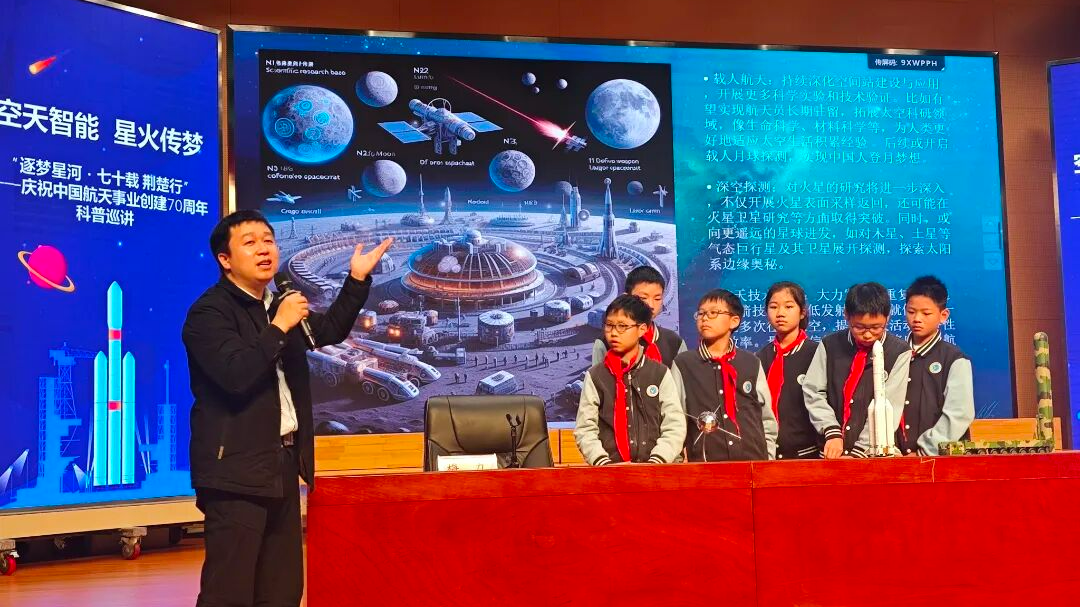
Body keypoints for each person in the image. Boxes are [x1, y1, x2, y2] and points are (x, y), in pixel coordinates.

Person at [183, 210, 391, 607]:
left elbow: (325, 332)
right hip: (235, 471)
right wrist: (278, 326)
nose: (264, 249)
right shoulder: (209, 313)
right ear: (225, 259)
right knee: (229, 592)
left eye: (269, 240)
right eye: (250, 243)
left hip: (282, 462)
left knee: (282, 590)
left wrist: (356, 280)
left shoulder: (278, 305)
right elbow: (235, 375)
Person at [802, 282, 911, 459]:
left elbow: (891, 403)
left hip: (874, 455)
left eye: (876, 327)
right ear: (846, 315)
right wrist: (831, 431)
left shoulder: (899, 352)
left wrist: (861, 452)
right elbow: (813, 391)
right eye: (859, 327)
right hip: (832, 453)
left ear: (888, 317)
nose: (867, 334)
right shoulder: (829, 345)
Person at [575, 294, 685, 465]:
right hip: (610, 470)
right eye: (609, 325)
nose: (613, 333)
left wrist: (656, 462)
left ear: (642, 329)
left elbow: (674, 425)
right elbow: (585, 429)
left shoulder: (660, 373)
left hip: (655, 470)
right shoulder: (596, 376)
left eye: (622, 326)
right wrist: (604, 464)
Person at [672, 289, 776, 461]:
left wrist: (768, 456)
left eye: (713, 313)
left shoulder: (751, 362)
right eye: (701, 313)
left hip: (753, 460)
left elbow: (766, 417)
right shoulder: (684, 364)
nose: (705, 318)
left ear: (734, 321)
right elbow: (676, 417)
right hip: (706, 463)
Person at [897, 276, 975, 455]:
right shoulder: (895, 355)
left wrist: (924, 451)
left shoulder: (955, 359)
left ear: (943, 316)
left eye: (926, 313)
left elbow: (959, 414)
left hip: (941, 459)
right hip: (897, 458)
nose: (917, 319)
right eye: (911, 311)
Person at [591, 266, 686, 368]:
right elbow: (597, 377)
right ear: (626, 297)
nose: (651, 305)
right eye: (643, 298)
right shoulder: (607, 342)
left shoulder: (674, 342)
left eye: (657, 298)